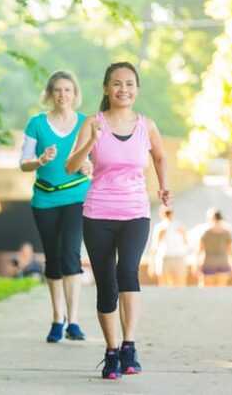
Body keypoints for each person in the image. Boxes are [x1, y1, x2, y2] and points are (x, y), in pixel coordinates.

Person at [65, 62, 170, 379]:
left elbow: (161, 157)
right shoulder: (92, 123)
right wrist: (90, 141)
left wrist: (164, 187)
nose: (123, 89)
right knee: (106, 286)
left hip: (135, 212)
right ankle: (111, 352)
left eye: (129, 84)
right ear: (106, 88)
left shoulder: (146, 126)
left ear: (136, 89)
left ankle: (129, 346)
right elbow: (71, 166)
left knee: (127, 272)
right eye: (116, 84)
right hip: (98, 214)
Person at [20, 70, 91, 344]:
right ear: (49, 94)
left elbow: (97, 160)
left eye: (68, 90)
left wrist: (89, 166)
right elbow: (23, 163)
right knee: (53, 257)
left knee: (71, 255)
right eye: (58, 90)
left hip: (76, 196)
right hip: (45, 198)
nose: (63, 95)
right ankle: (56, 318)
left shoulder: (86, 123)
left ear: (75, 95)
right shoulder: (36, 123)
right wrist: (39, 161)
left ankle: (73, 321)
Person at [195, 207, 232, 287]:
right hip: (223, 262)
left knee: (206, 291)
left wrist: (197, 265)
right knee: (221, 291)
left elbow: (200, 250)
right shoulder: (226, 233)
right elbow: (231, 250)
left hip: (208, 262)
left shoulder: (205, 233)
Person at [149, 205, 189, 287]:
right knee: (171, 285)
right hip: (169, 257)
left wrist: (152, 264)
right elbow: (186, 243)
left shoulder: (177, 226)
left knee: (173, 285)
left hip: (173, 256)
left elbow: (154, 247)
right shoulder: (161, 227)